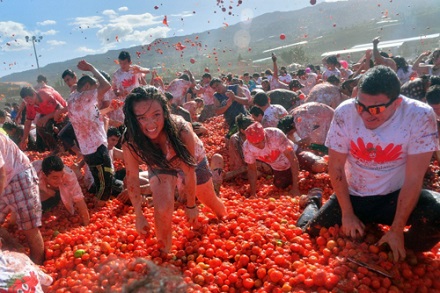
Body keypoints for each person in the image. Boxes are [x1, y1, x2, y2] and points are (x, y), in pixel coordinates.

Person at [297, 66, 440, 262]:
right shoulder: (345, 113)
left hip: (394, 197)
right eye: (360, 106)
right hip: (355, 196)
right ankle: (314, 201)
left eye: (376, 109)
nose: (365, 115)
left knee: (436, 214)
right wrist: (347, 213)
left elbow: (414, 177)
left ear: (397, 103)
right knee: (307, 232)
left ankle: (394, 244)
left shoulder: (419, 115)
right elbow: (336, 166)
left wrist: (397, 229)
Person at [122, 86, 227, 252]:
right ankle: (164, 252)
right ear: (134, 119)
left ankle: (225, 219)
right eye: (142, 118)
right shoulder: (131, 142)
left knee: (209, 200)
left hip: (191, 161)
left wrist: (191, 206)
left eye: (156, 115)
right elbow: (133, 178)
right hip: (160, 164)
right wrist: (139, 215)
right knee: (162, 208)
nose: (151, 124)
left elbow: (189, 171)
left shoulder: (181, 131)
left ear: (164, 112)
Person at [67, 60, 114, 204]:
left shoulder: (72, 98)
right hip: (97, 147)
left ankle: (97, 203)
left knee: (99, 178)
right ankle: (99, 208)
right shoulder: (84, 97)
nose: (97, 95)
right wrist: (92, 68)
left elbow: (92, 115)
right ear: (87, 87)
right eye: (94, 89)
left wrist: (110, 109)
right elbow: (107, 85)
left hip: (87, 148)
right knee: (106, 181)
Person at [0, 132, 44, 264]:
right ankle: (16, 249)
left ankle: (37, 268)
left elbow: (1, 175)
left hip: (18, 176)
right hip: (4, 179)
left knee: (29, 227)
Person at [242, 122, 300, 198]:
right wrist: (253, 194)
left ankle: (299, 175)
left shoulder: (275, 134)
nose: (261, 145)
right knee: (280, 185)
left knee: (317, 165)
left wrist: (296, 188)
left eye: (262, 141)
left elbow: (293, 159)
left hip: (296, 154)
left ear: (264, 135)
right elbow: (252, 170)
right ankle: (296, 176)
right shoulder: (247, 147)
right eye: (256, 144)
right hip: (280, 167)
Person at [32, 156, 90, 225]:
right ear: (45, 175)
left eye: (61, 175)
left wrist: (86, 222)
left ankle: (56, 196)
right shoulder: (32, 173)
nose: (60, 180)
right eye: (55, 177)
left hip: (56, 189)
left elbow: (79, 198)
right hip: (39, 188)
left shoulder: (69, 175)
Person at [19, 86, 66, 151]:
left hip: (64, 111)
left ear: (34, 94)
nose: (28, 101)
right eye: (25, 100)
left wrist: (46, 117)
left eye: (28, 98)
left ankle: (64, 146)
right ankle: (54, 148)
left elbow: (61, 109)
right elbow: (28, 122)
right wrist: (24, 138)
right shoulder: (29, 104)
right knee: (39, 126)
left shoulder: (45, 95)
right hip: (49, 114)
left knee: (50, 126)